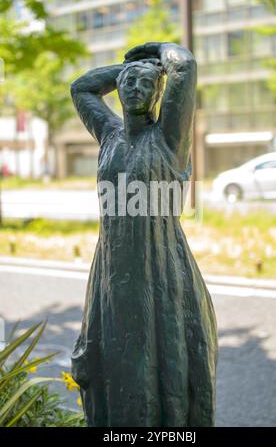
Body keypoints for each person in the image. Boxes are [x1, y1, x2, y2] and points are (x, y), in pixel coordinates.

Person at [70, 42, 218, 427]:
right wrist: (127, 66)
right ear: (118, 88)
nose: (135, 88)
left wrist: (156, 53)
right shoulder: (108, 135)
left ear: (159, 93)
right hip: (111, 269)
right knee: (112, 360)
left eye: (146, 83)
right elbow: (81, 87)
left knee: (161, 358)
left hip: (161, 265)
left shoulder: (170, 138)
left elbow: (183, 65)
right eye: (128, 83)